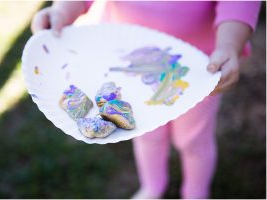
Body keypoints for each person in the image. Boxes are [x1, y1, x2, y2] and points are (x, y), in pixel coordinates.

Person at [31, 1, 261, 199]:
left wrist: (229, 44)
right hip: (128, 66)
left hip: (196, 70)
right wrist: (61, 11)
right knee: (146, 134)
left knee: (193, 140)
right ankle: (153, 186)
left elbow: (238, 3)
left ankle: (196, 193)